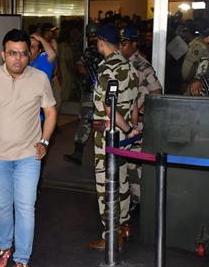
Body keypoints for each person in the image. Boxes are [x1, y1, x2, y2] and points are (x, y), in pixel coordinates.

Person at [0, 29, 57, 267]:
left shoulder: (39, 78)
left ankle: (21, 258)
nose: (18, 58)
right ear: (3, 54)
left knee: (26, 206)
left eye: (23, 54)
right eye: (12, 53)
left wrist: (45, 141)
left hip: (29, 155)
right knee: (3, 206)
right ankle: (4, 247)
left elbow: (50, 112)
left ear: (29, 54)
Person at [88, 24, 140, 250]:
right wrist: (132, 128)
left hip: (109, 136)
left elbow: (110, 108)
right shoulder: (130, 66)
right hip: (124, 135)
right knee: (122, 180)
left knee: (106, 185)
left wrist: (127, 129)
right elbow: (135, 104)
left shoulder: (106, 69)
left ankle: (110, 235)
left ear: (101, 42)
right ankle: (125, 225)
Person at [119, 26, 162, 209]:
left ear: (134, 44)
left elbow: (157, 91)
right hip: (124, 123)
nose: (121, 47)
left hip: (137, 124)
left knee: (135, 165)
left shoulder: (142, 66)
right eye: (119, 43)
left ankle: (140, 202)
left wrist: (141, 112)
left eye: (125, 43)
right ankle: (130, 201)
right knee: (126, 164)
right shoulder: (121, 64)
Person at [64, 22, 102, 165]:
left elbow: (80, 68)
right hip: (98, 90)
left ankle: (78, 153)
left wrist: (87, 74)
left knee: (85, 120)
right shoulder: (107, 50)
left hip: (92, 91)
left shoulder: (90, 51)